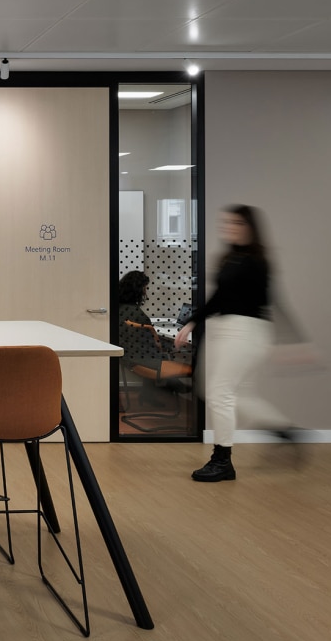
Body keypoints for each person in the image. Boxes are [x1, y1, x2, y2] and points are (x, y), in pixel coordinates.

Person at [175, 204, 297, 482]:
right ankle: (283, 429)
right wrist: (192, 323)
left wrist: (289, 342)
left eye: (237, 223)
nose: (230, 228)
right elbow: (218, 297)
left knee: (220, 392)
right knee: (236, 393)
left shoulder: (257, 262)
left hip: (246, 331)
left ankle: (222, 460)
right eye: (227, 223)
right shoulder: (230, 258)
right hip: (226, 329)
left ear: (250, 228)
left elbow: (273, 302)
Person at [117, 271, 189, 406]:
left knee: (156, 353)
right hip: (142, 361)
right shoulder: (137, 315)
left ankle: (153, 392)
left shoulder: (120, 309)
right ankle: (171, 384)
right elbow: (153, 345)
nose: (145, 292)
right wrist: (175, 344)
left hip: (128, 358)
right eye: (144, 288)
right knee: (182, 362)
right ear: (137, 290)